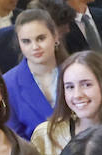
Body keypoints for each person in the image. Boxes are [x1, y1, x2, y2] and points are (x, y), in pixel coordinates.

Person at [4, 8, 64, 139]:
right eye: (26, 41)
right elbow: (14, 139)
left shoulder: (78, 71)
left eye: (41, 38)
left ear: (55, 36)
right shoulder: (8, 83)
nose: (35, 47)